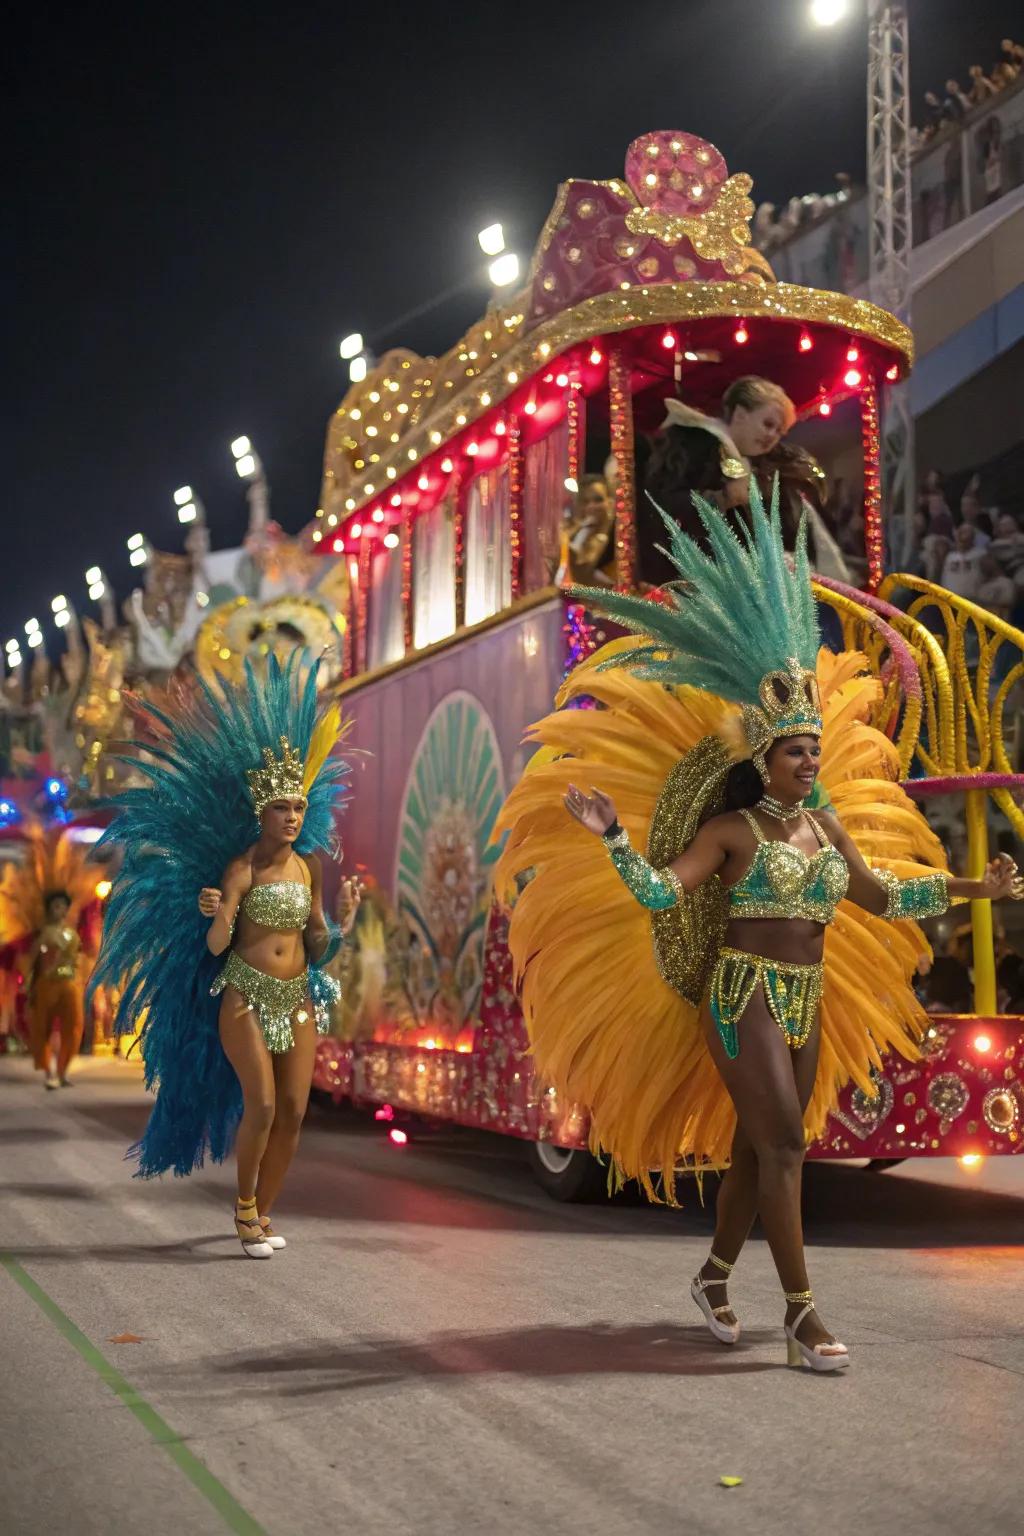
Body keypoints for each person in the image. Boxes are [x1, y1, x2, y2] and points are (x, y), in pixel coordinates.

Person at [495, 484, 1021, 1371]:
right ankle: (803, 1314)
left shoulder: (826, 828)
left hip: (808, 994)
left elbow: (883, 897)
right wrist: (616, 839)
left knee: (767, 1145)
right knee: (783, 1146)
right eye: (795, 750)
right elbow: (665, 895)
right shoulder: (729, 832)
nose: (810, 760)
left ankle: (711, 1277)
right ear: (764, 761)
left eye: (815, 747)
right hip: (740, 995)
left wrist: (979, 883)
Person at [90, 653, 360, 1257]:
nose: (292, 817)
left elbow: (316, 945)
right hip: (242, 996)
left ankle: (264, 1215)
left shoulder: (310, 866)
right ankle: (242, 1212)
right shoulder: (239, 869)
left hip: (297, 998)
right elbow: (218, 947)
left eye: (298, 807)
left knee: (293, 1110)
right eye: (281, 808)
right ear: (260, 812)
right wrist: (216, 914)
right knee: (260, 1104)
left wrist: (348, 923)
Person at [640, 377, 835, 584]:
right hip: (691, 584)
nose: (772, 436)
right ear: (741, 415)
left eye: (779, 432)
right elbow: (660, 504)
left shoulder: (758, 469)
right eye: (768, 424)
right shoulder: (694, 445)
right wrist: (722, 498)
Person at [26, 890, 84, 1089]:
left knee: (74, 1028)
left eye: (63, 906)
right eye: (56, 906)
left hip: (70, 985)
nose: (60, 910)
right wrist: (29, 986)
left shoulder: (73, 934)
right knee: (43, 1029)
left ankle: (62, 1072)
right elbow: (33, 961)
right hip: (47, 985)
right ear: (49, 909)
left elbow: (78, 960)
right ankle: (49, 1072)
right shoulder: (44, 934)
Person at [554, 473, 616, 587]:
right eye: (585, 501)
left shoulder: (620, 538)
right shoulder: (573, 537)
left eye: (598, 500)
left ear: (610, 503)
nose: (591, 506)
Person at [942, 522, 986, 599]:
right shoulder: (949, 556)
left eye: (966, 531)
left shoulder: (981, 554)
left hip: (971, 600)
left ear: (973, 536)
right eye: (961, 531)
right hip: (948, 599)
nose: (962, 533)